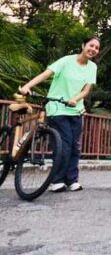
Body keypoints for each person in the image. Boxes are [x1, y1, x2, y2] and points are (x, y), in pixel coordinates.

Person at [19, 36, 100, 192]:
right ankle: (57, 180)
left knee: (75, 146)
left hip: (75, 109)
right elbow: (45, 74)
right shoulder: (66, 61)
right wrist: (27, 87)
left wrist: (74, 99)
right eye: (91, 45)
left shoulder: (92, 67)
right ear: (83, 45)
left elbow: (86, 90)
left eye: (96, 48)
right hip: (57, 108)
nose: (93, 49)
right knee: (64, 144)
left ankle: (72, 180)